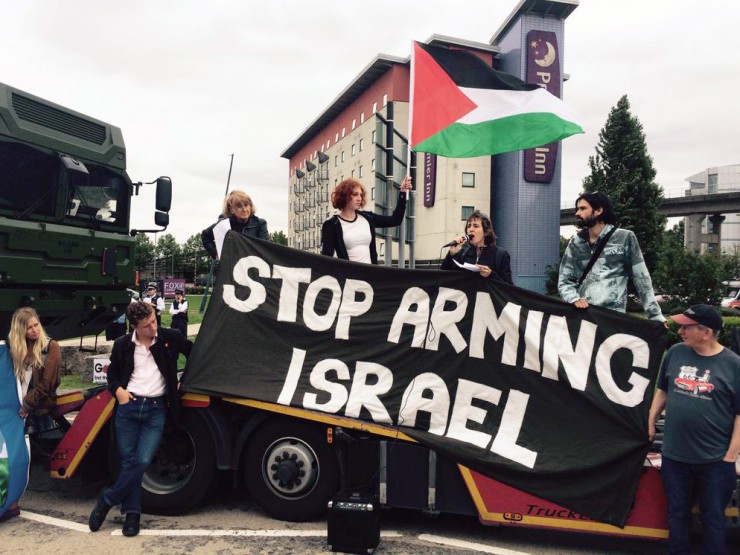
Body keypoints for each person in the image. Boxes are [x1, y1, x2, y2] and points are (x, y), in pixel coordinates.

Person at [88, 302, 191, 537]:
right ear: (134, 326)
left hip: (156, 408)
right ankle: (132, 514)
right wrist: (119, 392)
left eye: (154, 320)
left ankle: (108, 498)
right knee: (128, 462)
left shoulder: (170, 337)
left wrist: (183, 381)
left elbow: (193, 352)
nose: (154, 327)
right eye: (147, 325)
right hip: (129, 408)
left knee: (142, 460)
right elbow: (112, 374)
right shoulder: (123, 345)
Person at [648, 305, 739, 555]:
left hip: (715, 461)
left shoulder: (734, 365)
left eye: (686, 327)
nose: (680, 331)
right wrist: (650, 418)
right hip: (675, 457)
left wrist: (730, 455)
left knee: (713, 518)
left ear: (706, 332)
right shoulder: (676, 353)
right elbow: (663, 389)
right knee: (677, 515)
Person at [557, 191, 665, 322]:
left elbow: (641, 279)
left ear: (598, 211)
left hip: (613, 318)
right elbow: (565, 280)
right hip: (583, 317)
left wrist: (655, 315)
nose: (577, 213)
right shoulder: (576, 242)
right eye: (577, 209)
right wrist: (573, 298)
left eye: (583, 208)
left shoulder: (625, 238)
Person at [2, 308, 61, 520]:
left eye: (37, 325)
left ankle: (12, 502)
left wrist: (27, 405)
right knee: (13, 452)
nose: (35, 330)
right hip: (16, 406)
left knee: (20, 454)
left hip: (35, 406)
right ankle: (11, 502)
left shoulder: (50, 346)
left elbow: (47, 384)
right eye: (29, 327)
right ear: (20, 330)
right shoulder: (13, 347)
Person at [321, 176, 412, 265]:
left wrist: (402, 192)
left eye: (361, 195)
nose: (359, 198)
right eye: (355, 194)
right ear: (344, 196)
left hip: (370, 276)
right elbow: (326, 261)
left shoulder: (368, 218)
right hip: (349, 278)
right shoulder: (332, 225)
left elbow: (395, 220)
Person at [440, 210, 513, 284]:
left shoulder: (500, 255)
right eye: (469, 226)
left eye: (476, 226)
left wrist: (491, 274)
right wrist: (451, 254)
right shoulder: (462, 253)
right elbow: (444, 277)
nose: (471, 230)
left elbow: (508, 287)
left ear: (486, 232)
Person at [201, 190, 269, 260]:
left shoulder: (260, 224)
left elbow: (264, 248)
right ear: (231, 209)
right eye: (239, 206)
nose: (244, 209)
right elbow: (205, 235)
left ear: (250, 206)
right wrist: (216, 254)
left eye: (246, 205)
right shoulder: (224, 224)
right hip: (230, 266)